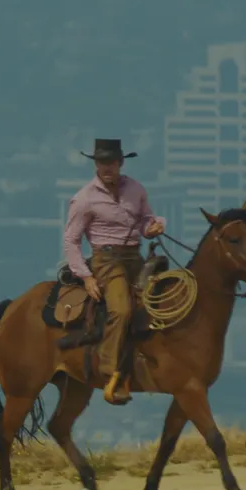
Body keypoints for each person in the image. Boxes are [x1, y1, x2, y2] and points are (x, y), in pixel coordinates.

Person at [60, 138, 165, 406]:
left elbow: (145, 219)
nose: (106, 167)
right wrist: (86, 276)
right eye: (101, 162)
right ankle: (109, 371)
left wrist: (152, 227)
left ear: (120, 163)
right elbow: (71, 240)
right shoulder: (84, 199)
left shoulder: (136, 189)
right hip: (105, 259)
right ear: (96, 164)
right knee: (121, 309)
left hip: (134, 254)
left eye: (111, 162)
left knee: (163, 300)